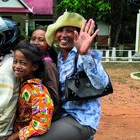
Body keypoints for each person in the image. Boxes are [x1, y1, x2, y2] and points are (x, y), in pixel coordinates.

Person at [28, 11, 109, 140]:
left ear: (78, 34)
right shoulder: (59, 56)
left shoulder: (83, 55)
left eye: (69, 31)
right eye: (60, 31)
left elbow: (101, 83)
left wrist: (85, 54)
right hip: (62, 115)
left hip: (81, 118)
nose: (63, 35)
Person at [7, 41, 54, 140]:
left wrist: (14, 137)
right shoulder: (21, 82)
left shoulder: (38, 93)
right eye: (15, 61)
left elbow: (41, 125)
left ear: (34, 67)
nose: (17, 66)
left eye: (23, 63)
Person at [29, 26, 61, 121]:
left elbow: (54, 95)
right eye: (33, 39)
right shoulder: (35, 61)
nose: (35, 42)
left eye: (41, 40)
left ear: (48, 45)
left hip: (45, 116)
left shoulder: (47, 64)